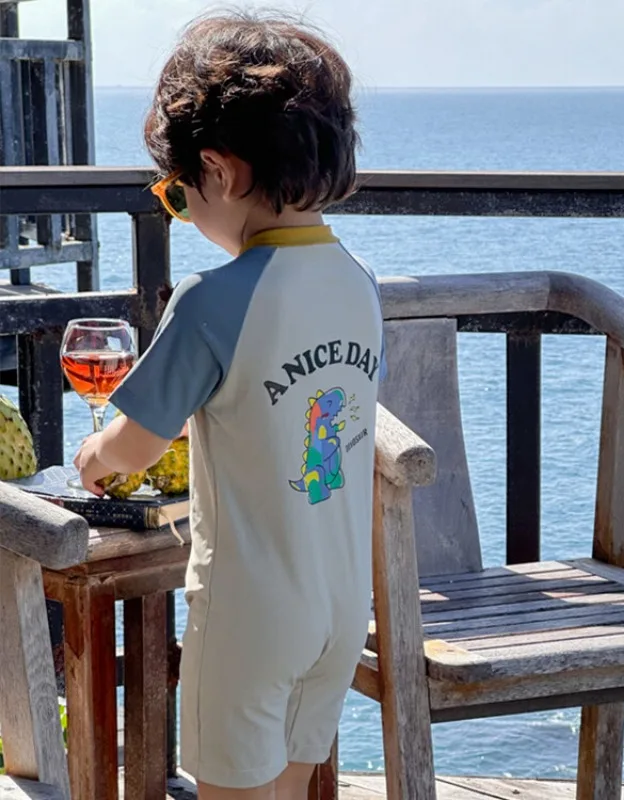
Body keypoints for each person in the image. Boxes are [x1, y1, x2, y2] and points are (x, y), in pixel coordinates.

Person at [74, 10, 385, 799]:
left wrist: (93, 458)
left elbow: (134, 446)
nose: (181, 213)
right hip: (340, 605)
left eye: (175, 197)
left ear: (218, 169)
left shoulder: (214, 299)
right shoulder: (358, 282)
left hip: (252, 612)